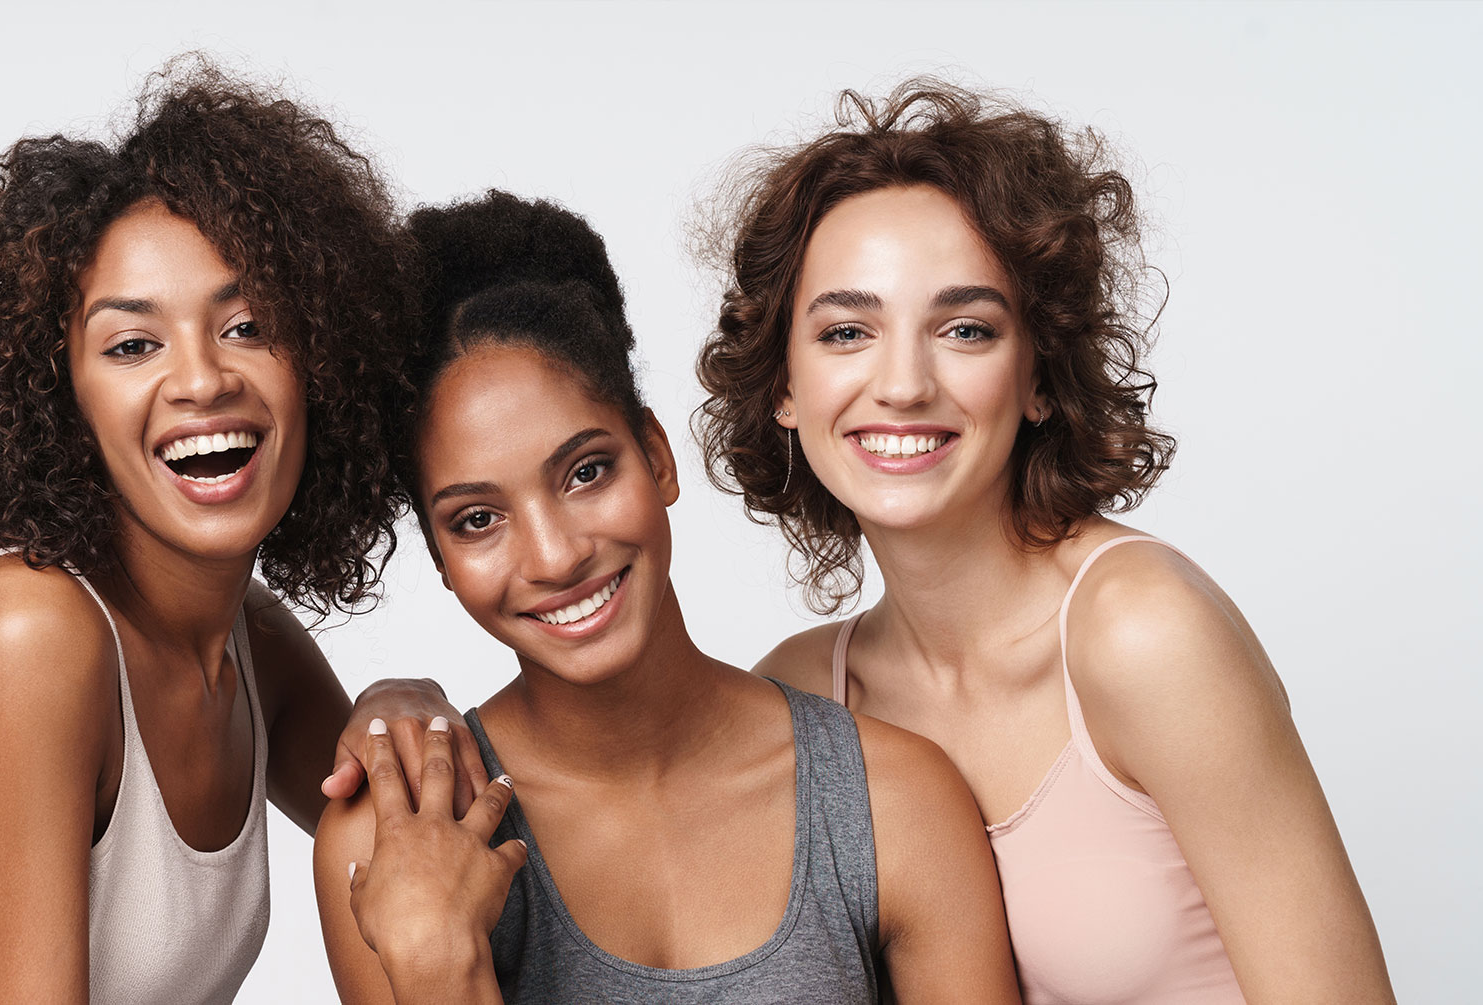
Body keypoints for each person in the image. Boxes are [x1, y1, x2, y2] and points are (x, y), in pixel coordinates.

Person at [0, 60, 481, 1004]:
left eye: (248, 325)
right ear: (56, 394)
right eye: (131, 343)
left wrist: (405, 695)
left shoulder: (252, 645)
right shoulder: (27, 637)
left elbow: (391, 818)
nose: (202, 379)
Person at [696, 81, 1394, 1002]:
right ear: (783, 386)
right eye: (847, 330)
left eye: (966, 328)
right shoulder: (800, 698)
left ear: (1038, 375)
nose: (902, 383)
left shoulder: (1141, 631)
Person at [314, 191, 1019, 1003]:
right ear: (440, 556)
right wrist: (437, 962)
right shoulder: (392, 840)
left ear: (657, 456)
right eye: (478, 519)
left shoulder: (894, 801)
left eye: (586, 471)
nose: (556, 555)